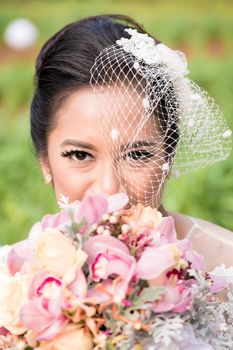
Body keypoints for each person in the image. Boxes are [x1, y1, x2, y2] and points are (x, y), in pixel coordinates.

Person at [30, 14, 233, 272]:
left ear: (168, 158)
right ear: (45, 162)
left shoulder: (225, 269)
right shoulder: (17, 283)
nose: (110, 190)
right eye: (80, 155)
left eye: (137, 155)